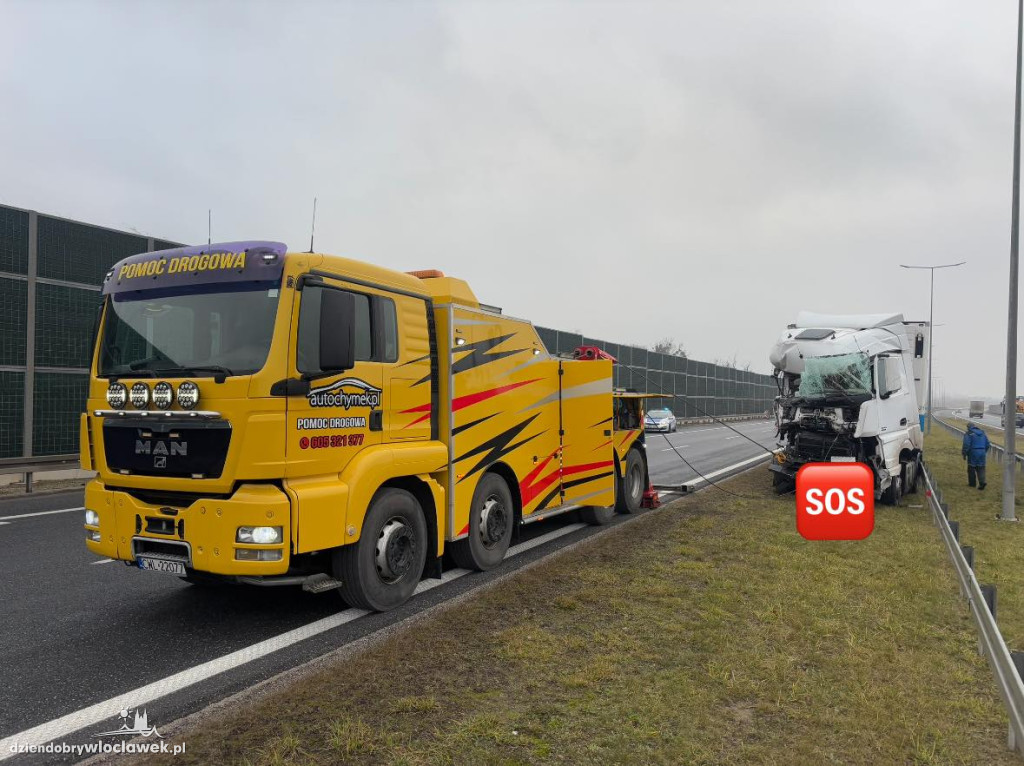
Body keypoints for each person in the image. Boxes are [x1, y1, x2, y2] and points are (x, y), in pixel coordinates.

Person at [962, 423, 990, 490]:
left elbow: (966, 444)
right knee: (981, 468)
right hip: (982, 452)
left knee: (971, 468)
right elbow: (987, 444)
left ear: (968, 427)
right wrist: (984, 451)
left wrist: (964, 453)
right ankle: (982, 482)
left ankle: (972, 484)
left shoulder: (969, 433)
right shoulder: (983, 433)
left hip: (973, 452)